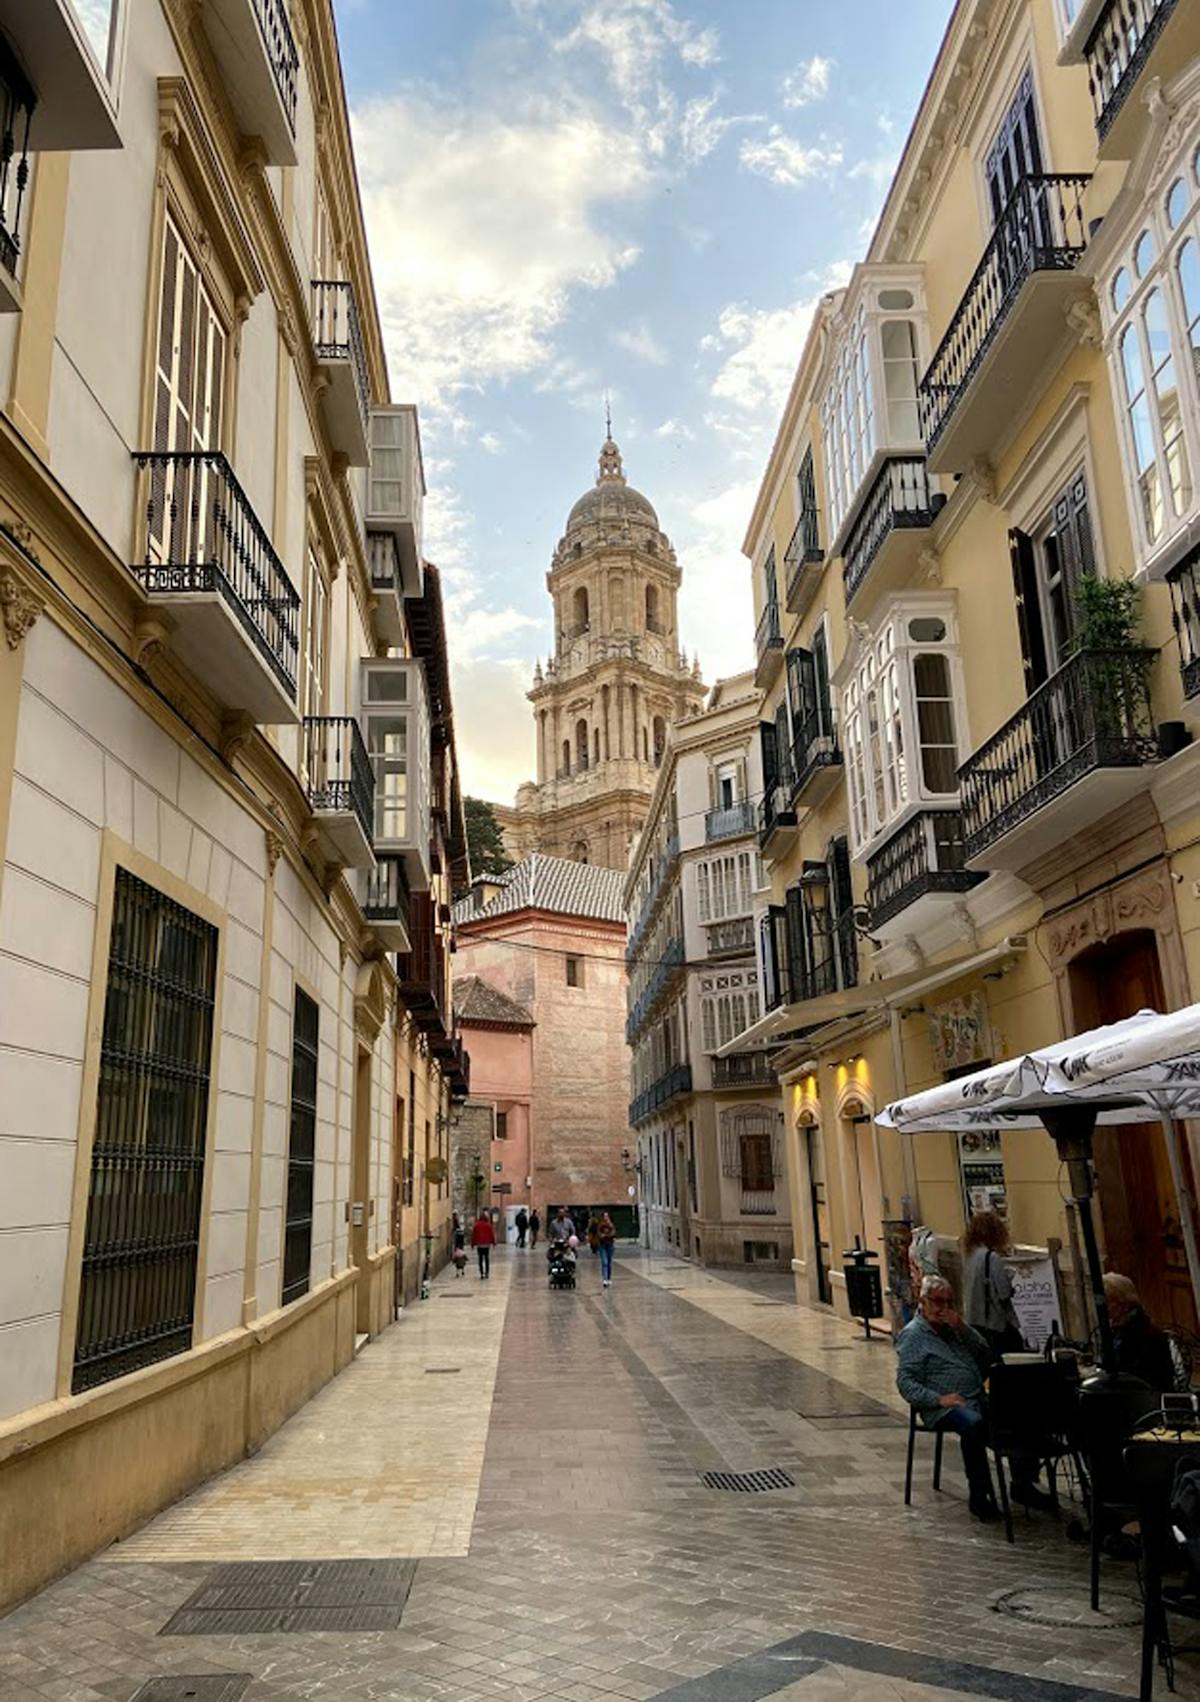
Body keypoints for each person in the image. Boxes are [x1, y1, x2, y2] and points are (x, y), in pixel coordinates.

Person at [897, 1275, 1001, 1522]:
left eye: (948, 1302)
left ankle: (1022, 1483)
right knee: (973, 1424)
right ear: (922, 1301)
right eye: (937, 1302)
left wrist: (963, 1328)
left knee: (1015, 1413)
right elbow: (905, 1382)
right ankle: (979, 1495)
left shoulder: (953, 1329)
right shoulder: (913, 1335)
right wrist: (938, 1399)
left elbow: (985, 1354)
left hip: (975, 1396)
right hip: (943, 1407)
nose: (943, 1308)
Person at [962, 1211, 1024, 1360]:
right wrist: (1009, 1280)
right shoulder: (992, 1257)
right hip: (995, 1324)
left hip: (975, 1323)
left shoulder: (969, 1257)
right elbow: (1004, 1293)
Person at [1104, 1272, 1176, 1391]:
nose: (1106, 1308)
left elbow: (1147, 1378)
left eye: (1109, 1302)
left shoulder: (1146, 1334)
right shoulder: (1115, 1329)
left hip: (1142, 1396)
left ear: (1124, 1304)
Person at [470, 1210, 495, 1279]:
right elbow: (491, 1234)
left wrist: (472, 1244)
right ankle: (487, 1273)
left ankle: (481, 1273)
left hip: (479, 1244)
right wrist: (493, 1242)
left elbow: (473, 1235)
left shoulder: (476, 1225)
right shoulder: (488, 1225)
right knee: (486, 1258)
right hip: (486, 1244)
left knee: (480, 1259)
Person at [596, 1211, 616, 1287]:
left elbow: (613, 1233)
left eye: (607, 1216)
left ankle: (609, 1278)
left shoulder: (611, 1225)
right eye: (604, 1216)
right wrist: (605, 1236)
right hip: (602, 1246)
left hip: (610, 1245)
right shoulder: (600, 1226)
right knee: (605, 1262)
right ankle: (605, 1279)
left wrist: (606, 1235)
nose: (606, 1218)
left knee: (609, 1262)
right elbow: (599, 1235)